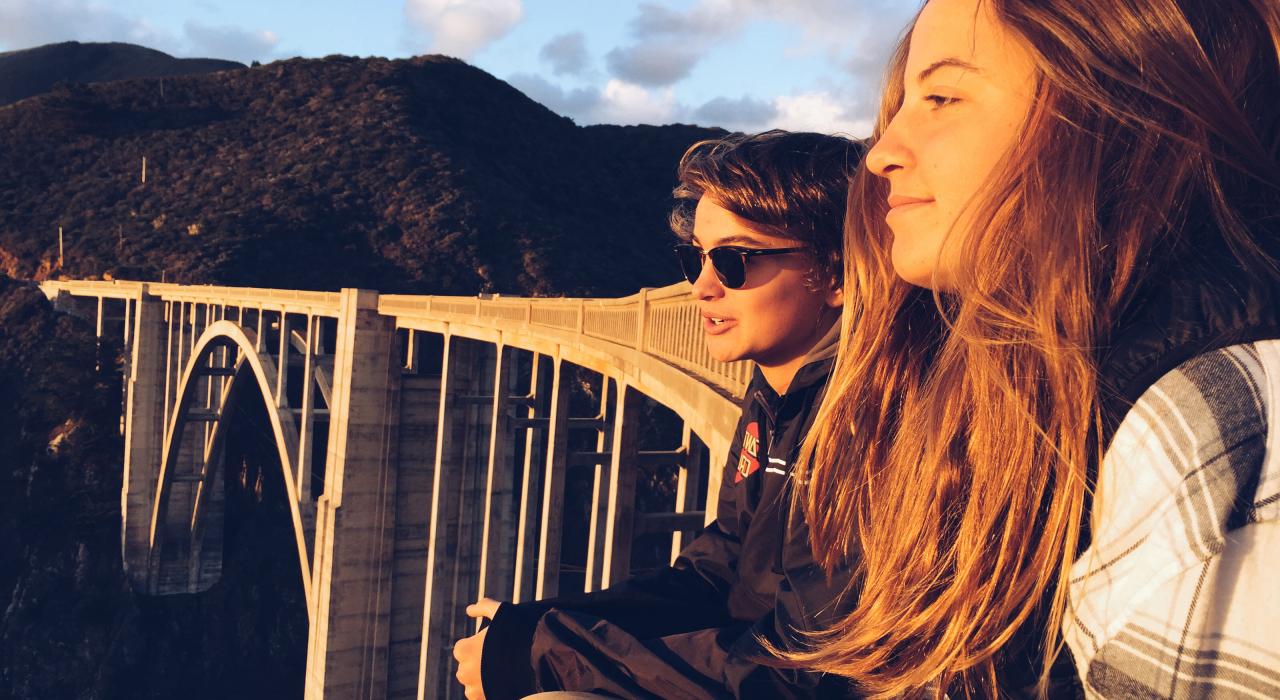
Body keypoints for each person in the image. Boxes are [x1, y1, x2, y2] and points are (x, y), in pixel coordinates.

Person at [785, 0, 1280, 696]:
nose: (881, 153)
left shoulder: (1211, 421)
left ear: (1121, 115)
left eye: (942, 96)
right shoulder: (1013, 379)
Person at [453, 130, 865, 699]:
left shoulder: (866, 427)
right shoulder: (776, 389)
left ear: (838, 275)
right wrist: (544, 625)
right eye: (695, 258)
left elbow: (808, 671)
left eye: (734, 262)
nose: (700, 287)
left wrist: (549, 655)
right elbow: (721, 568)